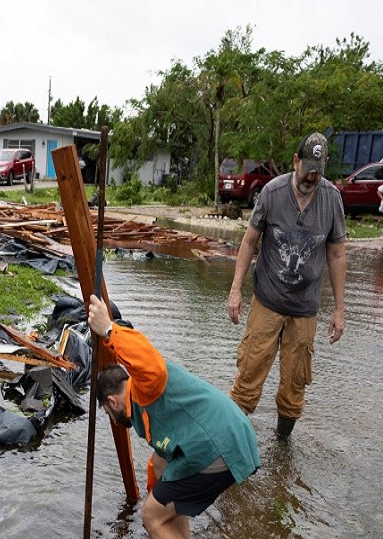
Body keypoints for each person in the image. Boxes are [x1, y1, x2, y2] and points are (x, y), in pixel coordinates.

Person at [87, 294, 260, 539]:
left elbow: (151, 363)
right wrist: (156, 495)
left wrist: (108, 330)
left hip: (222, 445)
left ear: (113, 401)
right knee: (160, 467)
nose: (114, 421)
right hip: (230, 436)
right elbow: (159, 465)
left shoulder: (145, 387)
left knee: (151, 516)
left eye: (109, 413)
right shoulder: (143, 407)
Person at [227, 132, 346, 441]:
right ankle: (230, 443)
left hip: (305, 310)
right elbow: (250, 240)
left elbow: (336, 253)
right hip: (267, 301)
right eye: (307, 169)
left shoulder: (332, 199)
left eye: (318, 170)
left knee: (294, 387)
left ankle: (282, 447)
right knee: (248, 378)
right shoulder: (272, 192)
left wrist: (340, 310)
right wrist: (236, 289)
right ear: (296, 161)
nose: (312, 176)